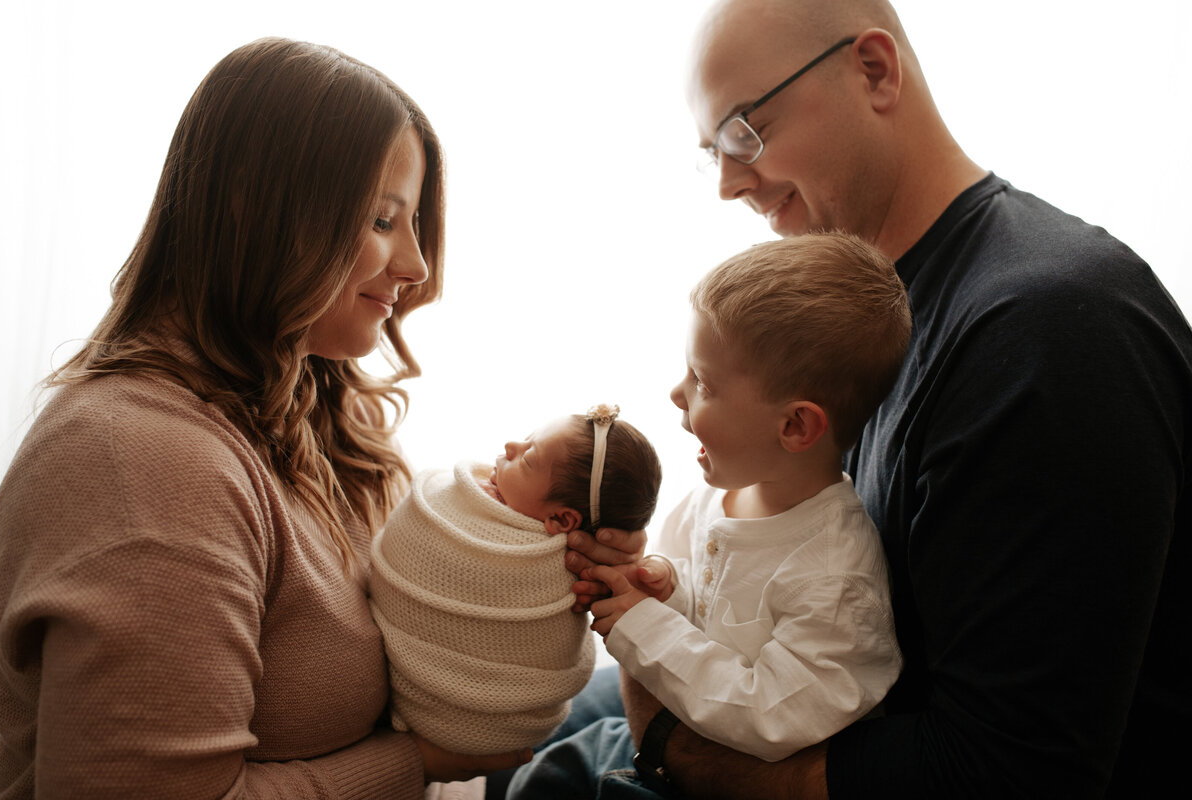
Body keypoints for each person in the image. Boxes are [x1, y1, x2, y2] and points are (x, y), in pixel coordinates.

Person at [518, 0, 1192, 797]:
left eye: (745, 130)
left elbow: (1007, 771)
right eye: (715, 153)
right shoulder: (851, 327)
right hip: (777, 693)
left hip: (810, 745)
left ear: (873, 70)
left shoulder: (1049, 335)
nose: (730, 183)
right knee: (526, 715)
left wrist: (667, 739)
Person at [0, 37, 539, 798]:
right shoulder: (142, 461)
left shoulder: (305, 414)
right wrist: (414, 767)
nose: (416, 268)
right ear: (254, 203)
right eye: (384, 219)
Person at [508, 233, 910, 798]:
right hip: (659, 731)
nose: (677, 393)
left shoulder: (835, 579)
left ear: (794, 426)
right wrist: (664, 587)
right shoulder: (719, 496)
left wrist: (644, 627)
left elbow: (772, 714)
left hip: (714, 777)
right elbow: (708, 606)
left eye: (703, 382)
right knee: (539, 772)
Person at [369, 406, 661, 757]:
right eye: (525, 440)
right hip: (490, 735)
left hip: (474, 726)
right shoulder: (470, 517)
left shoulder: (567, 565)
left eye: (527, 459)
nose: (510, 446)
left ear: (562, 519)